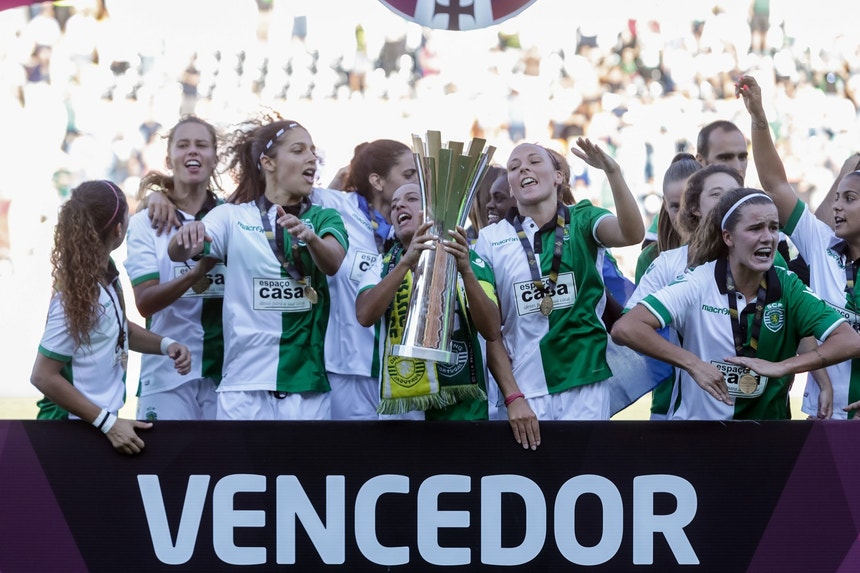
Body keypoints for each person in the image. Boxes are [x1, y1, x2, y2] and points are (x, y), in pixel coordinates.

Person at [612, 189, 860, 420]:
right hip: (699, 435)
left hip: (769, 440)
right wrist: (693, 364)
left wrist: (783, 367)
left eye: (773, 228)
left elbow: (849, 340)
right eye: (755, 228)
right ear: (728, 237)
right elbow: (626, 328)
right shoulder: (699, 281)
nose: (768, 238)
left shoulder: (788, 286)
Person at [168, 118, 348, 421]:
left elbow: (333, 262)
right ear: (268, 162)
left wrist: (311, 238)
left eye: (313, 151)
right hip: (242, 388)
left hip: (306, 387)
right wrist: (185, 239)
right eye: (298, 150)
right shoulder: (230, 216)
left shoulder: (324, 217)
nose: (311, 158)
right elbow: (182, 251)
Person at [475, 138, 645, 449]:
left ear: (558, 177)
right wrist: (513, 397)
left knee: (580, 482)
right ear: (511, 188)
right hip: (524, 389)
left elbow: (632, 233)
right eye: (514, 166)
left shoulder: (583, 219)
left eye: (534, 161)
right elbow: (491, 333)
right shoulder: (490, 240)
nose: (523, 167)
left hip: (585, 382)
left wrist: (613, 172)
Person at [30, 180, 191, 454]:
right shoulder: (76, 292)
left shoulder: (104, 272)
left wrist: (166, 345)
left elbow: (116, 329)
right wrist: (108, 423)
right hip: (66, 430)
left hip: (94, 426)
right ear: (119, 229)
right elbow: (43, 376)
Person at [738, 74, 860, 419]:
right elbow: (775, 182)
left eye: (848, 199)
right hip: (824, 420)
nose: (836, 206)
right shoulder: (821, 245)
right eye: (836, 198)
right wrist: (759, 118)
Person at [356, 183, 500, 419]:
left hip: (464, 411)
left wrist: (466, 271)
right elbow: (364, 315)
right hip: (405, 416)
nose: (400, 205)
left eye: (412, 198)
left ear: (432, 211)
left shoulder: (469, 259)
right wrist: (404, 264)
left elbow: (492, 329)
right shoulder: (382, 266)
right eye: (394, 205)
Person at [123, 116, 225, 421]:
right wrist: (195, 274)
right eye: (183, 145)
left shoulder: (233, 215)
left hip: (228, 376)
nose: (192, 152)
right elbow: (145, 303)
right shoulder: (146, 222)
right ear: (169, 159)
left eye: (201, 145)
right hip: (167, 377)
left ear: (215, 158)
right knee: (169, 469)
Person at [320, 138, 418, 419]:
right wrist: (340, 178)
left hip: (408, 373)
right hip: (348, 370)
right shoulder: (337, 204)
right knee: (350, 461)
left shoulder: (413, 223)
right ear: (377, 180)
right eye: (408, 175)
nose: (416, 183)